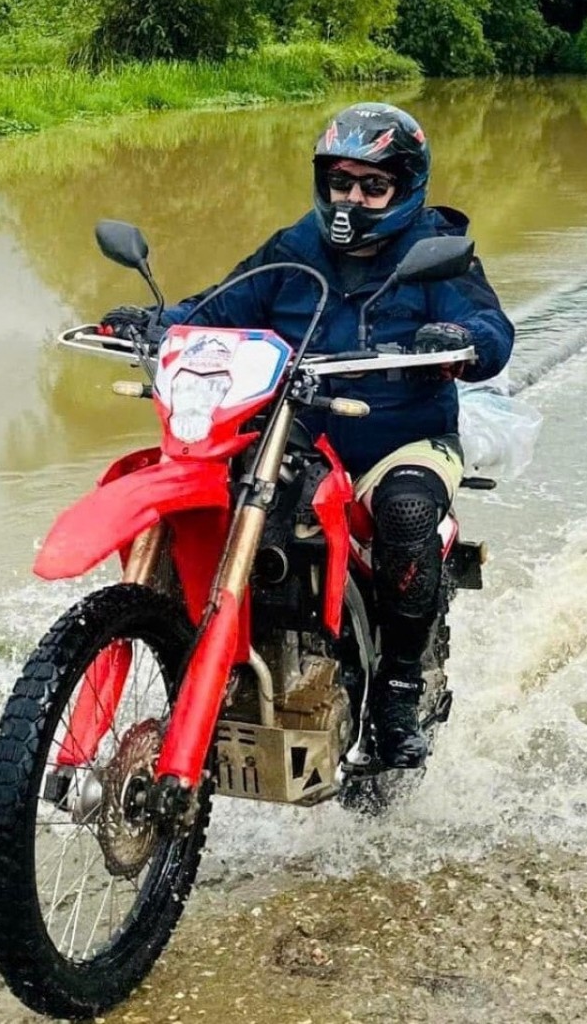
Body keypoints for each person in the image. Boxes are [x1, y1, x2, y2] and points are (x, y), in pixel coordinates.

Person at [101, 103, 515, 769]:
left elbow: (491, 329)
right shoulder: (295, 249)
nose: (352, 200)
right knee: (209, 504)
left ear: (406, 187)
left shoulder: (436, 253)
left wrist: (460, 339)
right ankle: (197, 663)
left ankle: (398, 692)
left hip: (400, 441)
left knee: (408, 512)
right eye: (340, 183)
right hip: (293, 439)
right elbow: (220, 306)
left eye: (373, 186)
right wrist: (156, 323)